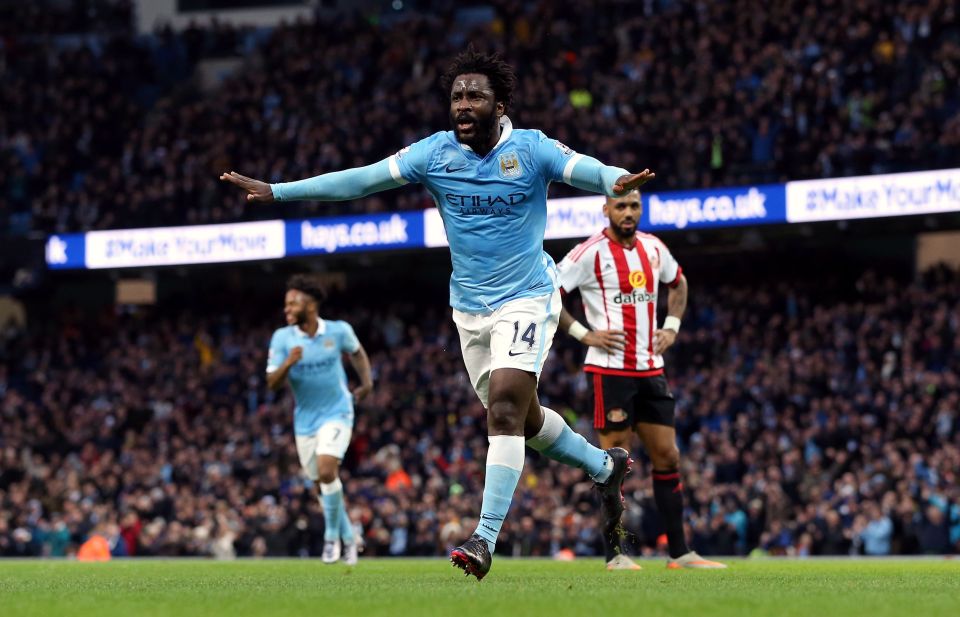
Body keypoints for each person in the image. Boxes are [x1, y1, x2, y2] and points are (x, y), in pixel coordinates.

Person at [221, 48, 655, 580]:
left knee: (502, 413)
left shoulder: (531, 148)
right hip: (468, 309)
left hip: (527, 296)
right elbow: (361, 180)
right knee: (528, 421)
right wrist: (279, 190)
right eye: (456, 97)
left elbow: (579, 167)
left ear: (500, 104)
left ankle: (483, 539)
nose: (463, 105)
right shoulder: (435, 154)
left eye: (475, 95)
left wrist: (613, 178)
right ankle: (602, 465)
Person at [556, 190, 726, 570]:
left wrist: (672, 325)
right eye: (621, 206)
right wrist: (584, 334)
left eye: (634, 206)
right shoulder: (589, 253)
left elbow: (678, 283)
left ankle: (680, 554)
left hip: (651, 367)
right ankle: (615, 554)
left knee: (668, 456)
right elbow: (549, 294)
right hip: (609, 370)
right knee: (614, 464)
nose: (628, 212)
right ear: (606, 210)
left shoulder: (653, 247)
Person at [265, 274, 373, 565]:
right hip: (305, 420)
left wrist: (367, 383)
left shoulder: (337, 331)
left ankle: (330, 538)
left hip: (338, 410)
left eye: (291, 303)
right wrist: (288, 363)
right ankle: (350, 539)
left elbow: (357, 353)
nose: (286, 309)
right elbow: (271, 383)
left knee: (327, 470)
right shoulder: (282, 338)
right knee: (321, 483)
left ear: (309, 304)